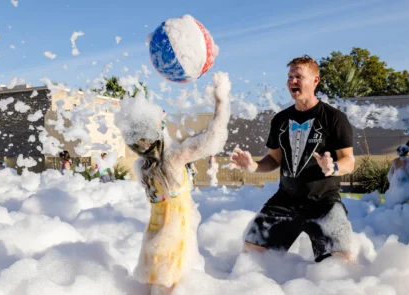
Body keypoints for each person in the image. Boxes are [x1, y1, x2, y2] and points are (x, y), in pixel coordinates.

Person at [230, 55, 355, 263]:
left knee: (341, 262)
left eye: (298, 76)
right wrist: (253, 166)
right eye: (289, 77)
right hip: (285, 200)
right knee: (250, 254)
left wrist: (332, 166)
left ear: (315, 80)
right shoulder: (280, 120)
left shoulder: (334, 118)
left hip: (324, 202)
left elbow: (349, 161)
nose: (292, 81)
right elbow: (273, 160)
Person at [116, 72, 231, 294]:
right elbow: (214, 137)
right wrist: (221, 99)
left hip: (153, 241)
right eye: (160, 119)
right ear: (153, 131)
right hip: (175, 247)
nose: (163, 116)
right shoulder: (173, 160)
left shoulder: (142, 166)